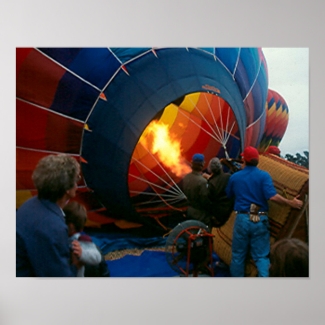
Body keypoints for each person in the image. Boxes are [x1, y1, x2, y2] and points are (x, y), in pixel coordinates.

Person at [225, 146, 303, 277]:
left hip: (242, 218)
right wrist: (291, 203)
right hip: (259, 218)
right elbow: (272, 196)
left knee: (238, 256)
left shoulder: (235, 177)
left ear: (243, 159)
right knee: (261, 257)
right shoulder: (264, 176)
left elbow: (228, 195)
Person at [16, 154, 82, 277]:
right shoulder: (52, 227)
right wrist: (75, 265)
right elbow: (58, 280)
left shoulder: (30, 204)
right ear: (67, 188)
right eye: (76, 179)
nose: (77, 185)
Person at [63, 201, 110, 277]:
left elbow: (97, 258)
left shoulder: (78, 243)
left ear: (70, 226)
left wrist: (82, 254)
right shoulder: (88, 244)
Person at [182, 153, 211, 228]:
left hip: (189, 211)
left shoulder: (186, 177)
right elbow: (204, 200)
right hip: (200, 214)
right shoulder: (202, 182)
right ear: (202, 165)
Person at [206, 157, 234, 227]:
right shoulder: (229, 177)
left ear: (211, 169)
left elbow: (207, 201)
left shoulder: (211, 184)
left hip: (217, 216)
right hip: (228, 212)